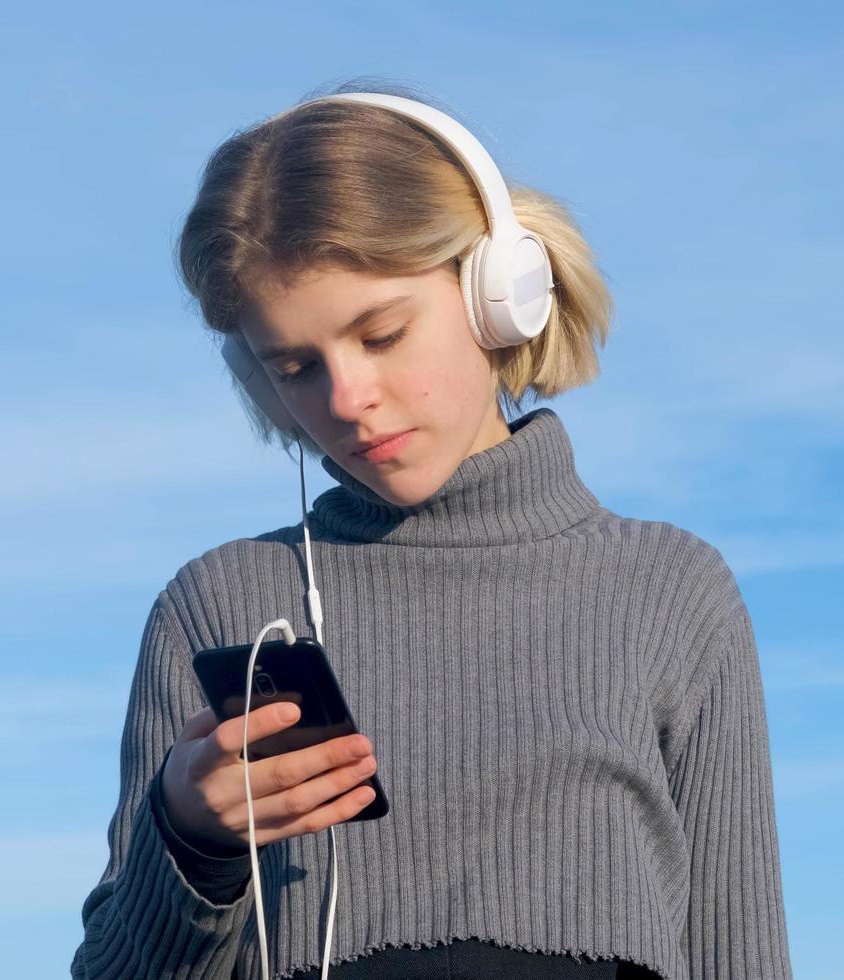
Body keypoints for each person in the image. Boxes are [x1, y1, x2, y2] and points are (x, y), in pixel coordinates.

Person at [70, 78, 793, 980]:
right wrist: (190, 839)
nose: (344, 400)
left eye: (380, 335)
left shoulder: (670, 590)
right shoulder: (221, 604)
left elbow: (742, 957)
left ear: (500, 291)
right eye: (294, 366)